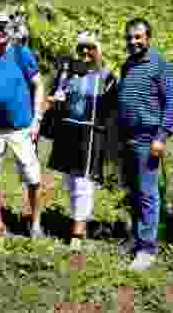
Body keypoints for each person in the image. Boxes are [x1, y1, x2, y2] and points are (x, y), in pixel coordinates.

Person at [0, 11, 47, 239]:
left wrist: (37, 120)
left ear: (8, 28)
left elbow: (39, 85)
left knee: (33, 178)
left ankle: (35, 223)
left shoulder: (20, 54)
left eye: (2, 26)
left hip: (21, 127)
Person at [44, 31, 119, 249]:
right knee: (69, 181)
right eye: (81, 48)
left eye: (90, 47)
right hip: (67, 129)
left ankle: (77, 233)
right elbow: (56, 97)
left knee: (83, 182)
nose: (85, 52)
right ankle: (78, 220)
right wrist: (54, 99)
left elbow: (113, 110)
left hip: (90, 132)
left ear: (99, 51)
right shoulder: (68, 73)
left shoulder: (107, 77)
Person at [116, 17, 173, 271]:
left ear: (148, 38)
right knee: (134, 191)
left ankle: (147, 249)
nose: (133, 42)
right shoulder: (127, 65)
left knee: (148, 194)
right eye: (129, 37)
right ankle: (137, 238)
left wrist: (161, 137)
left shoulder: (161, 65)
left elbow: (172, 102)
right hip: (127, 137)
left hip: (147, 138)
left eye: (138, 37)